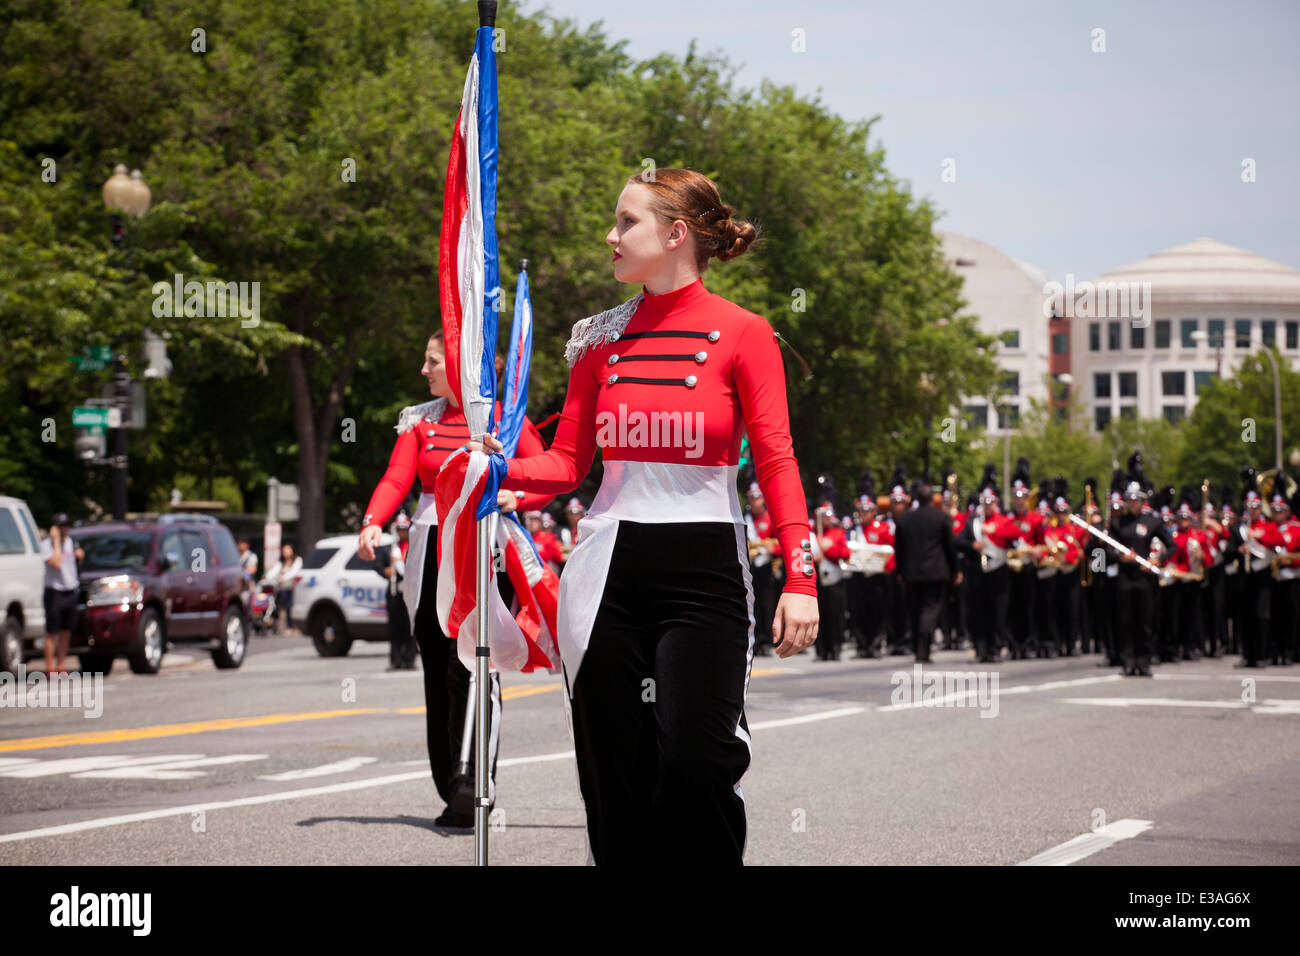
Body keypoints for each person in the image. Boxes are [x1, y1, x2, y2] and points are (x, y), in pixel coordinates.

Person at [471, 168, 818, 865]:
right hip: (606, 570)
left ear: (675, 233)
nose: (611, 235)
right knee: (613, 778)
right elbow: (569, 462)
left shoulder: (744, 335)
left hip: (706, 572)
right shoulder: (598, 340)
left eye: (625, 221)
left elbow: (777, 459)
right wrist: (498, 467)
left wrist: (802, 577)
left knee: (697, 764)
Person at [358, 329, 553, 828]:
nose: (423, 371)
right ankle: (451, 785)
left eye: (432, 361)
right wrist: (373, 521)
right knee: (437, 666)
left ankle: (476, 782)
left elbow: (547, 472)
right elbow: (396, 478)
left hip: (484, 550)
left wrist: (518, 497)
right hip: (430, 552)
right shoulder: (419, 422)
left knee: (474, 662)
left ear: (461, 365)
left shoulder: (504, 421)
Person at [1110, 475, 1173, 677]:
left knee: (1145, 621)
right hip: (1125, 579)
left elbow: (1172, 545)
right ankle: (1128, 661)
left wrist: (1158, 560)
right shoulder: (1118, 523)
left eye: (1136, 499)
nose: (1133, 503)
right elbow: (1107, 549)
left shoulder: (1152, 522)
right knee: (1125, 621)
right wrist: (1120, 556)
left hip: (1145, 579)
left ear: (1142, 501)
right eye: (1130, 500)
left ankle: (1144, 661)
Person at [893, 482, 958, 664]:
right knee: (930, 610)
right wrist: (955, 570)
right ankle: (923, 648)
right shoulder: (941, 518)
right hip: (935, 571)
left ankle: (918, 647)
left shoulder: (905, 519)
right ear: (931, 500)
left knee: (915, 609)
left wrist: (900, 570)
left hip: (911, 573)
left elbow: (899, 548)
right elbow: (949, 547)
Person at [41, 513, 82, 675]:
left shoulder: (72, 542)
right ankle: (50, 668)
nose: (65, 529)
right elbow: (56, 562)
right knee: (52, 631)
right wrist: (56, 541)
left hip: (70, 590)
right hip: (55, 591)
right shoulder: (46, 544)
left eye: (67, 525)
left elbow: (77, 561)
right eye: (61, 526)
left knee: (66, 630)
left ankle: (61, 665)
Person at [744, 482, 780, 657]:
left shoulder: (769, 518)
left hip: (765, 566)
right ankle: (754, 640)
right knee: (752, 605)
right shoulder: (746, 518)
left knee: (767, 605)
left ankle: (766, 641)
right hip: (750, 567)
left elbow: (780, 543)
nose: (754, 500)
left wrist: (774, 550)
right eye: (751, 497)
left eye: (757, 497)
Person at [384, 512, 417, 670]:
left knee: (410, 628)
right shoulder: (392, 547)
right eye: (399, 529)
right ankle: (395, 660)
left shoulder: (414, 545)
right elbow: (380, 564)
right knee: (394, 629)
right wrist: (386, 570)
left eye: (404, 529)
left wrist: (400, 564)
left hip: (410, 592)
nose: (402, 532)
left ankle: (409, 659)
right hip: (395, 593)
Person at [264, 544, 302, 635]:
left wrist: (284, 578)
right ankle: (275, 626)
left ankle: (291, 627)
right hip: (282, 588)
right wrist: (267, 576)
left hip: (293, 588)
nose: (286, 553)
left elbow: (294, 572)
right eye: (284, 551)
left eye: (287, 550)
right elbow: (274, 570)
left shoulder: (297, 560)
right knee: (277, 606)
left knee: (290, 607)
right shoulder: (281, 562)